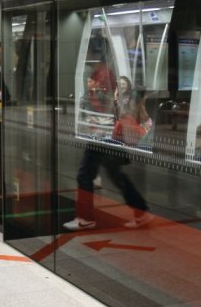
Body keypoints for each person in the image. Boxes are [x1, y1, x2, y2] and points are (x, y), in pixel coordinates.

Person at [64, 88, 151, 231]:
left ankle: (85, 218)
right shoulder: (109, 91)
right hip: (105, 136)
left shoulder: (108, 83)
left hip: (103, 137)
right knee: (116, 175)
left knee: (85, 174)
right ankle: (141, 211)